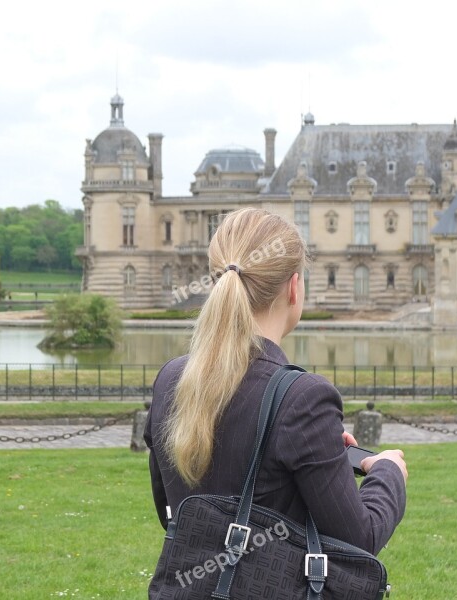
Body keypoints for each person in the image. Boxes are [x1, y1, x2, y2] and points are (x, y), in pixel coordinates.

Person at [145, 207, 407, 559]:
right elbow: (359, 540)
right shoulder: (303, 399)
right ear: (294, 288)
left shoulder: (170, 379)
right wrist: (387, 473)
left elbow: (173, 514)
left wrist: (319, 453)